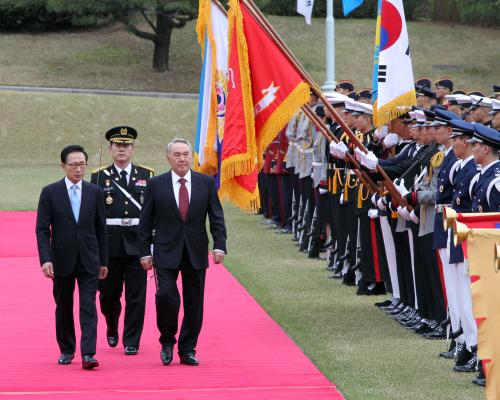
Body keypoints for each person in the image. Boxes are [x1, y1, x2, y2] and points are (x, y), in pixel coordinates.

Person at [138, 138, 227, 366]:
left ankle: (187, 349)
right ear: (168, 158)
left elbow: (216, 216)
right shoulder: (155, 184)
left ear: (191, 157)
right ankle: (167, 340)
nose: (182, 158)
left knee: (194, 303)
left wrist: (219, 244)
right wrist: (144, 252)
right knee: (166, 296)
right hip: (165, 251)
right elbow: (145, 222)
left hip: (195, 251)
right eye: (176, 155)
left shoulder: (205, 183)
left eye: (186, 154)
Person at [35, 145, 108, 370]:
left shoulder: (95, 192)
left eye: (82, 164)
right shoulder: (50, 192)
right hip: (61, 260)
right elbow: (42, 229)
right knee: (64, 306)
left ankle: (88, 354)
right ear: (63, 166)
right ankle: (67, 349)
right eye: (74, 164)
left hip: (89, 259)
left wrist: (103, 261)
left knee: (88, 306)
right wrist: (45, 259)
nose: (78, 169)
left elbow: (100, 229)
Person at [91, 126, 154, 356]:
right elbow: (94, 215)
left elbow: (152, 213)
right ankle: (111, 324)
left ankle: (131, 340)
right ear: (110, 149)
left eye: (126, 145)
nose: (121, 149)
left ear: (133, 149)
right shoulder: (98, 177)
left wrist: (152, 245)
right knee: (108, 295)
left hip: (138, 244)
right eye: (117, 145)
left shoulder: (147, 176)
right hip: (110, 244)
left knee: (136, 296)